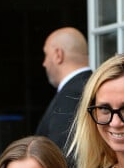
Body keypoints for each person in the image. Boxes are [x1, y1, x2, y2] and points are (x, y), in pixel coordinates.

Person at [35, 27, 91, 159]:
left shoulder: (72, 95)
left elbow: (62, 158)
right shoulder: (89, 85)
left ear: (58, 55)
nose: (44, 63)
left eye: (46, 55)